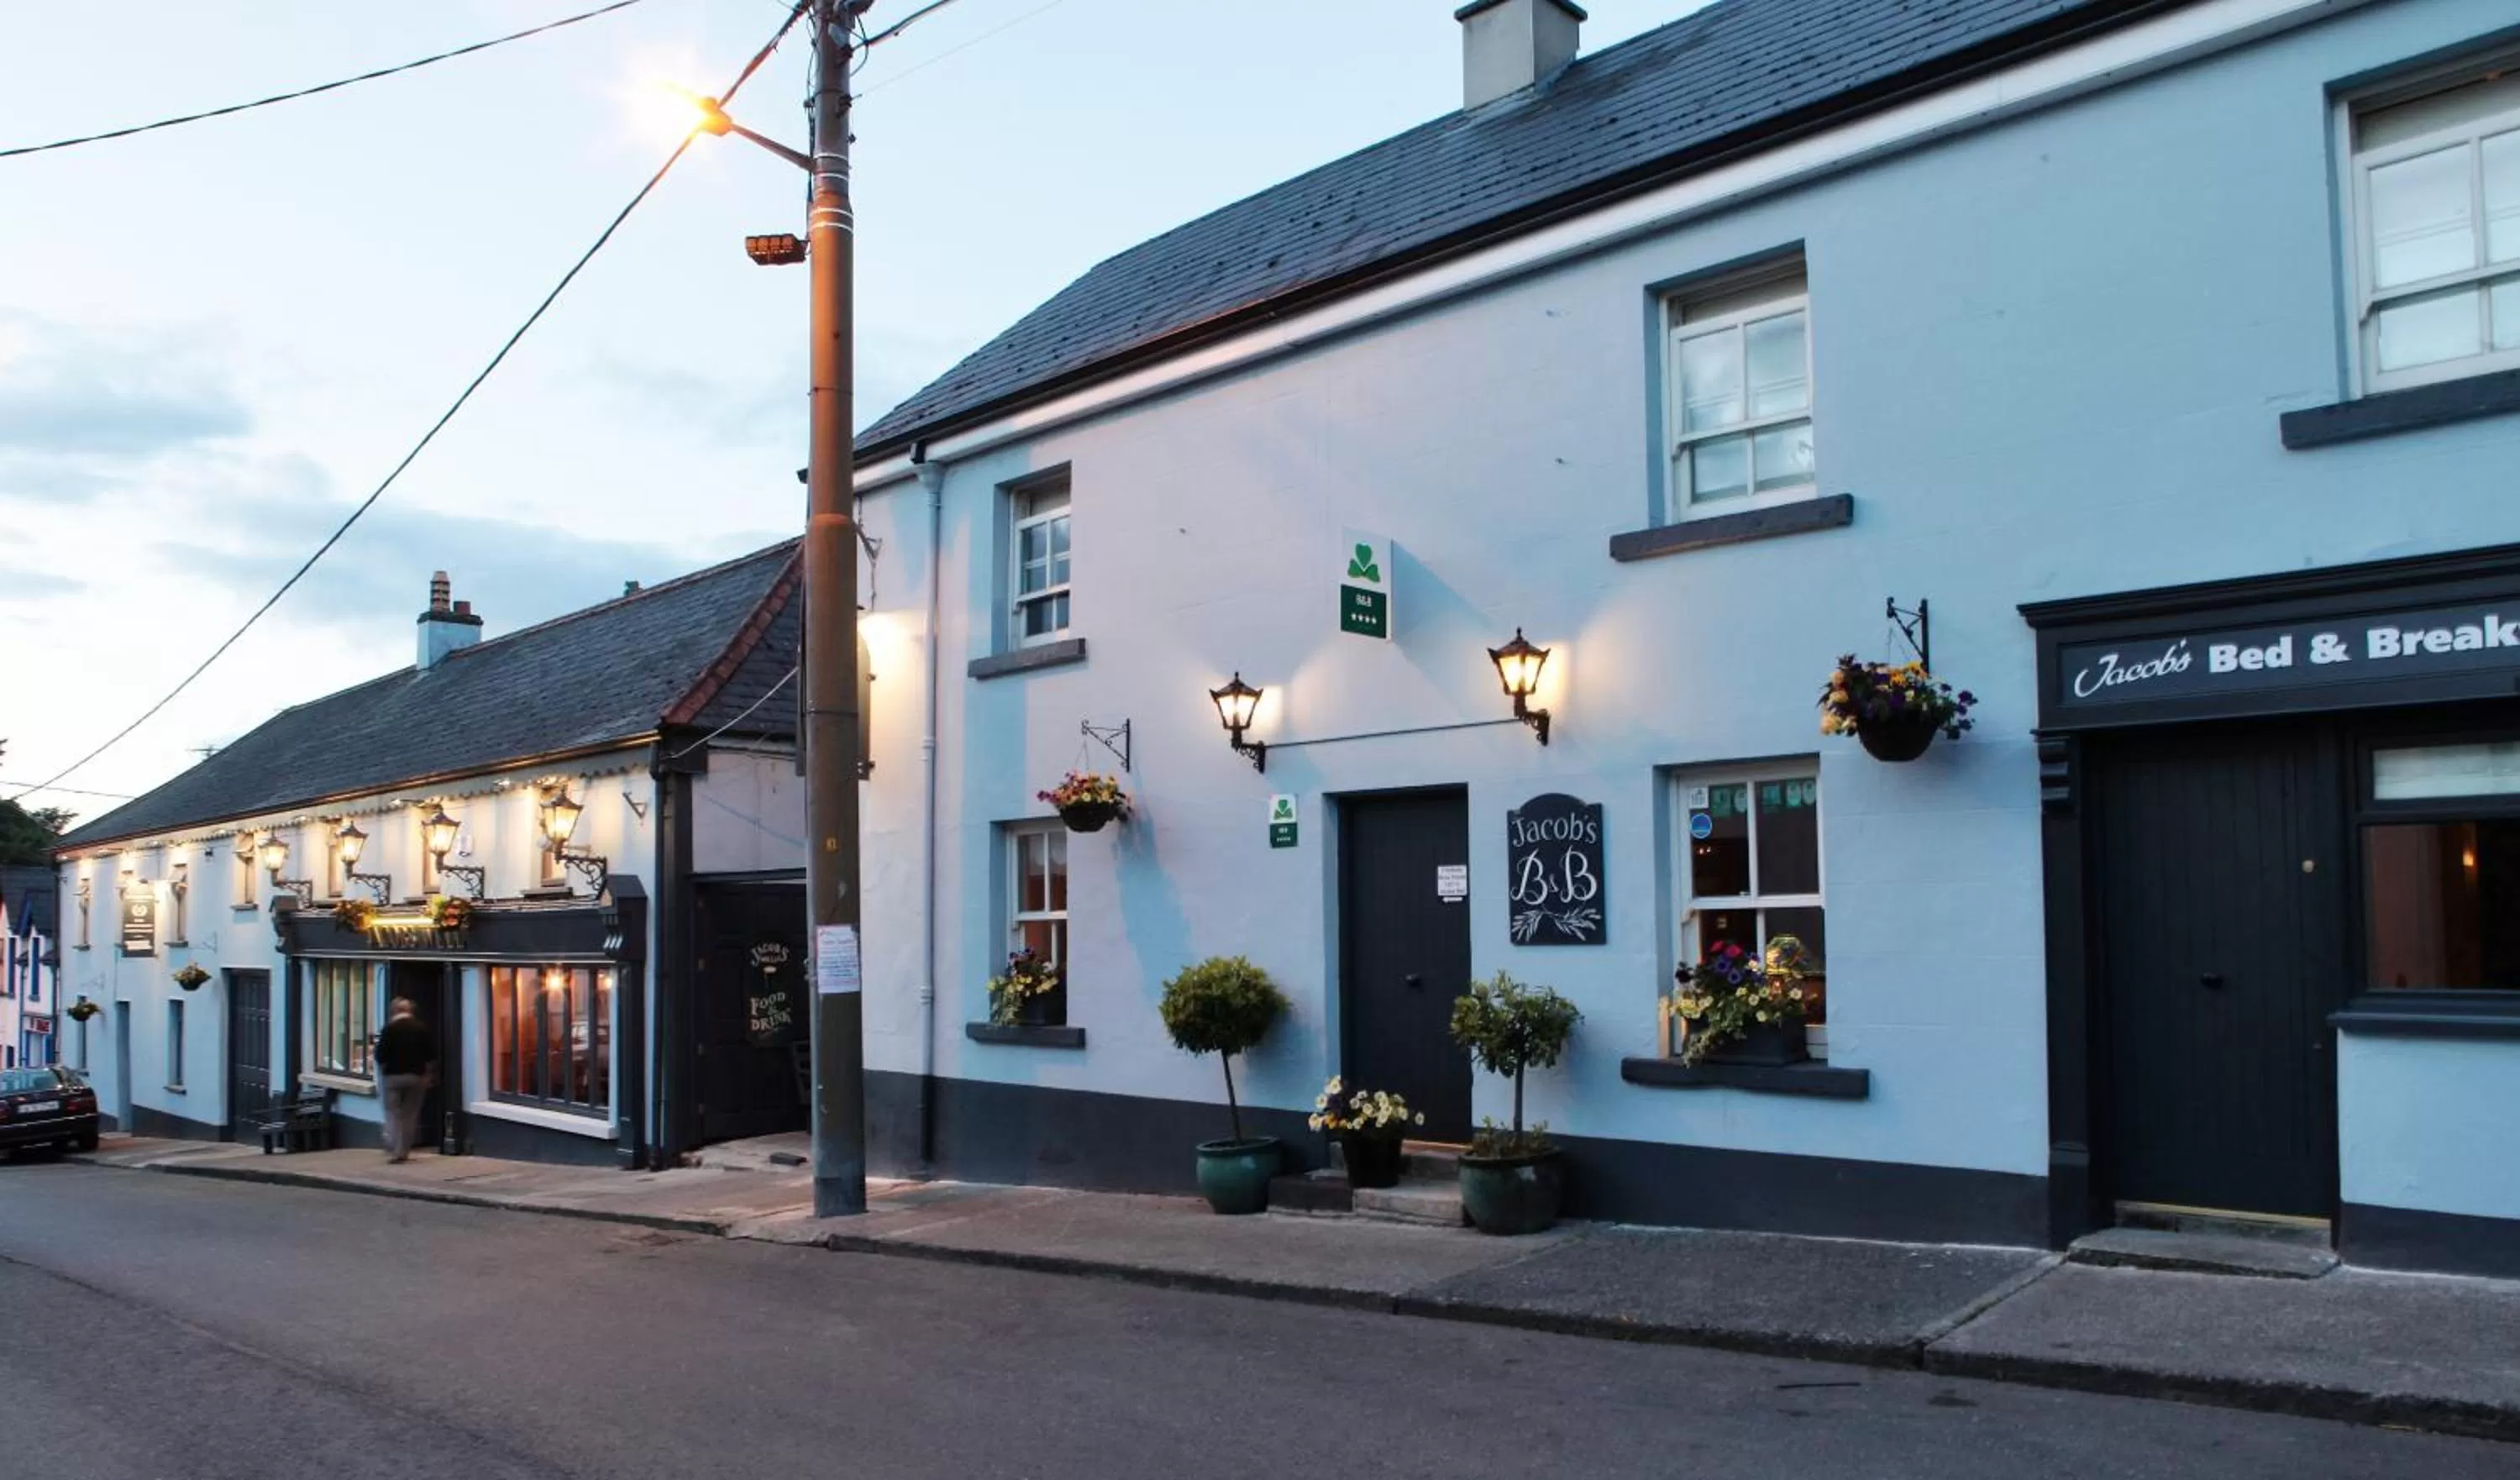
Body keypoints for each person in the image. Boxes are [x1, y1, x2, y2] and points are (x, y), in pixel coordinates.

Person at [374, 998, 436, 1164]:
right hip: (417, 1077)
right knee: (410, 1115)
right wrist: (428, 1075)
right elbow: (430, 1056)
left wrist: (384, 1071)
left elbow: (380, 1055)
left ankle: (396, 1149)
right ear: (410, 1011)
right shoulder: (421, 1029)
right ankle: (404, 1150)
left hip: (392, 1078)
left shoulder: (389, 1029)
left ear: (394, 1011)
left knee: (393, 1113)